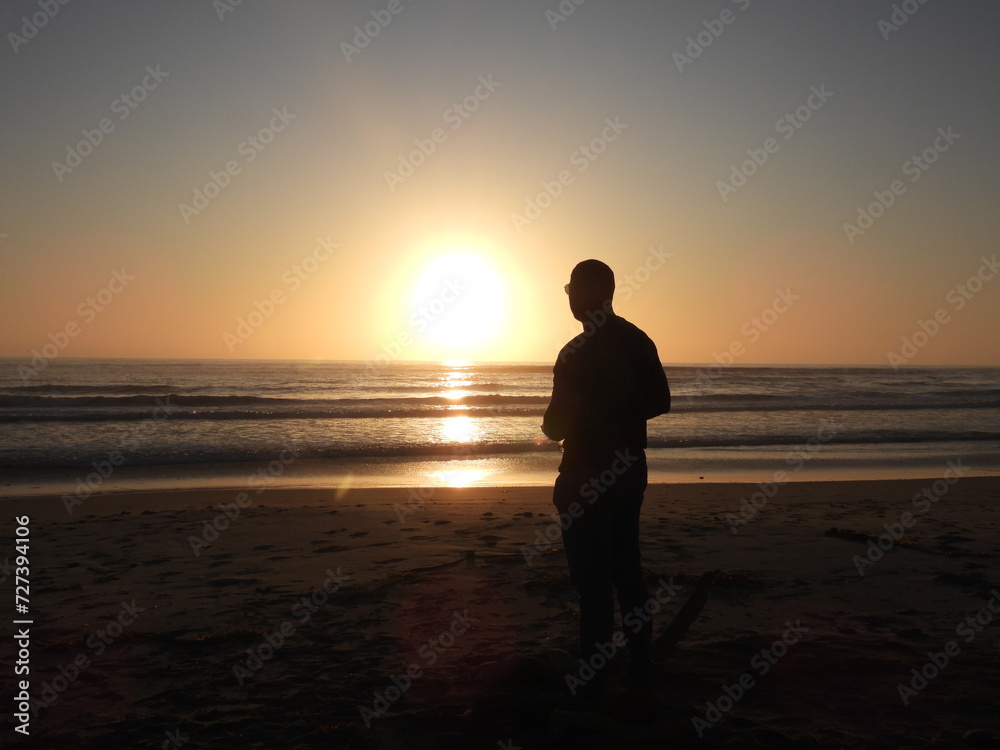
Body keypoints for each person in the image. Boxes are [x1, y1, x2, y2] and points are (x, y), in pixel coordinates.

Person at [542, 259, 671, 697]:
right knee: (627, 568)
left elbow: (555, 426)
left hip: (585, 473)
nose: (568, 298)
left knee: (592, 580)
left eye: (570, 289)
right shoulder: (637, 340)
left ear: (588, 293)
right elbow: (661, 401)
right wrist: (623, 416)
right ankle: (640, 665)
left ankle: (595, 678)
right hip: (629, 469)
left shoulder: (575, 351)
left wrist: (581, 422)